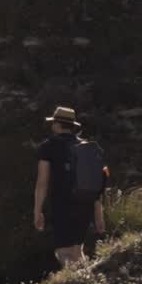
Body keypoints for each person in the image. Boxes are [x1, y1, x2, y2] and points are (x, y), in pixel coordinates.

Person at [34, 107, 107, 266]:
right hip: (85, 205)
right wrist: (98, 214)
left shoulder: (48, 147)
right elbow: (95, 183)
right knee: (76, 251)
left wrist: (37, 211)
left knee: (64, 253)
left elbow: (42, 182)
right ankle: (86, 283)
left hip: (62, 205)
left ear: (57, 124)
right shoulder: (86, 147)